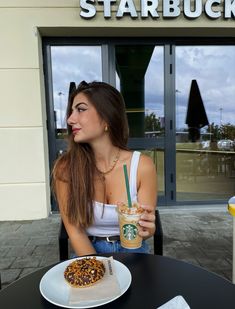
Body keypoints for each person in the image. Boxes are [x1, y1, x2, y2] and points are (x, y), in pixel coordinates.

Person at [52, 80, 157, 256]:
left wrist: (148, 230)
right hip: (88, 251)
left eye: (81, 109)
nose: (70, 119)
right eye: (71, 112)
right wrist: (100, 272)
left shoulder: (142, 166)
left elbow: (144, 229)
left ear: (106, 117)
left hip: (134, 251)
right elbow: (76, 233)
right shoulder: (65, 168)